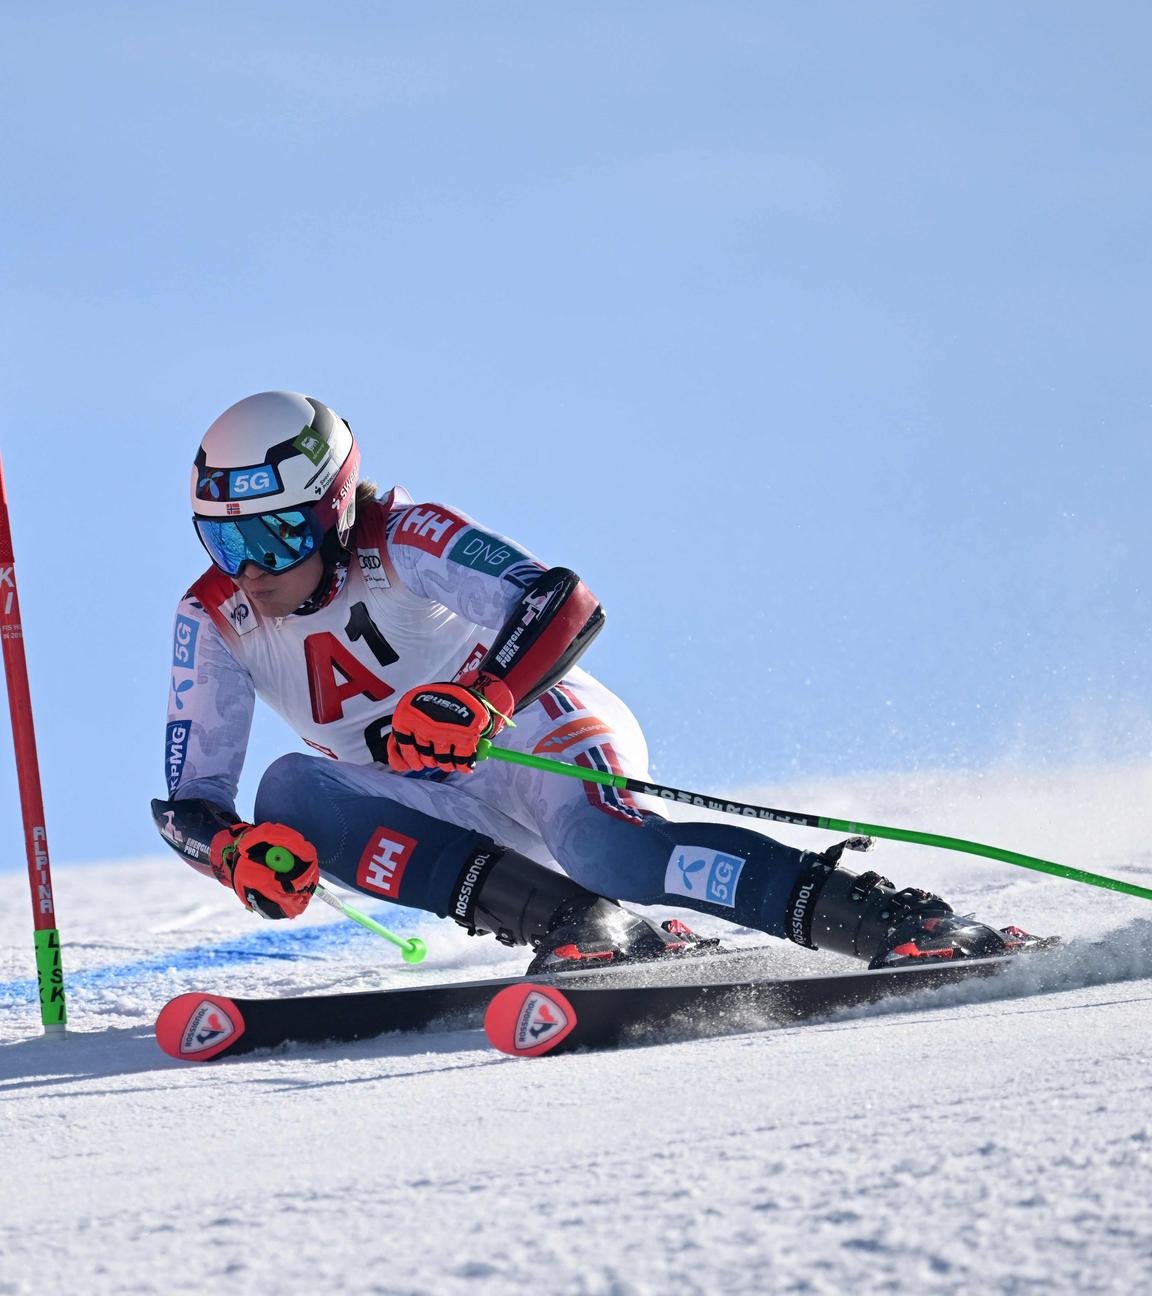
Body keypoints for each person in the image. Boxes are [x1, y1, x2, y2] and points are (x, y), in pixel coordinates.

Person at [153, 391, 1041, 973]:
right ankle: (583, 927)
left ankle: (892, 921)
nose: (250, 569)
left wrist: (485, 695)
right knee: (288, 791)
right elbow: (190, 802)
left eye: (273, 538)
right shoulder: (215, 620)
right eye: (222, 542)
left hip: (534, 733)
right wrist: (233, 853)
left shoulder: (403, 536)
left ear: (336, 507)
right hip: (438, 804)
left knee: (611, 850)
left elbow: (562, 599)